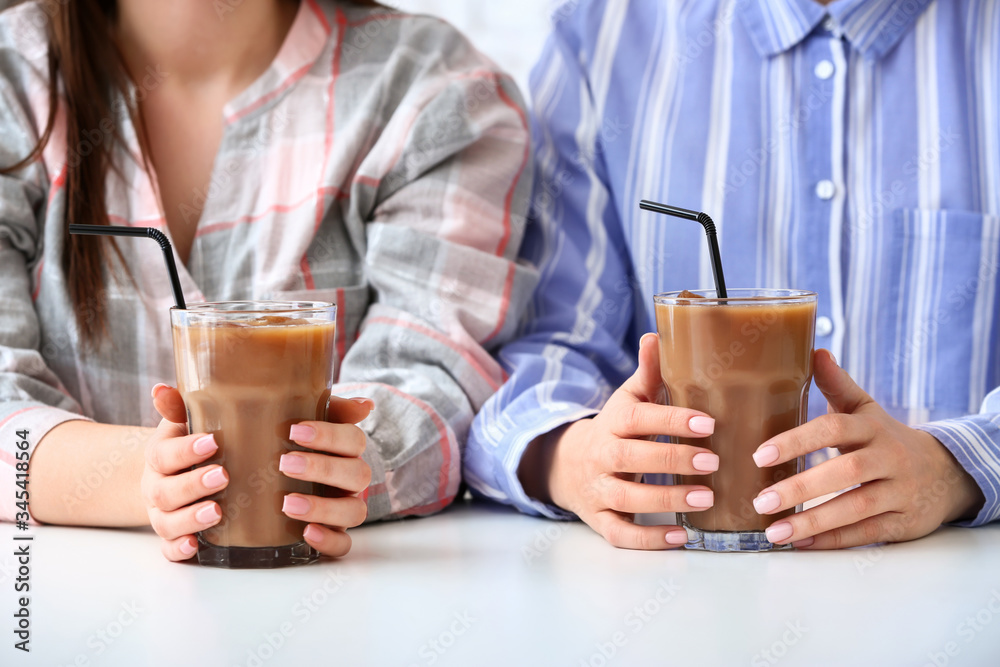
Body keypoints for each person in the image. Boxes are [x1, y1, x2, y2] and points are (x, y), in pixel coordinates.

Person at [0, 0, 535, 561]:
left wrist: (351, 462)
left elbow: (435, 377)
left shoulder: (438, 91)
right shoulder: (17, 74)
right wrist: (152, 477)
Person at [466, 0, 1000, 550]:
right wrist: (571, 459)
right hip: (687, 587)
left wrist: (955, 466)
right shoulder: (599, 37)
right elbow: (549, 346)